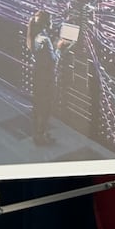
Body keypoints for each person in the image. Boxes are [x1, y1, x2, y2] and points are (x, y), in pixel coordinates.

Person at [25, 10, 70, 147]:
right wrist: (59, 48)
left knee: (38, 106)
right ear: (46, 23)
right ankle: (41, 136)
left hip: (38, 75)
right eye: (50, 20)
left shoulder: (34, 36)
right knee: (46, 107)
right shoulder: (45, 40)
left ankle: (39, 134)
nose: (52, 22)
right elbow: (53, 60)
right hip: (47, 79)